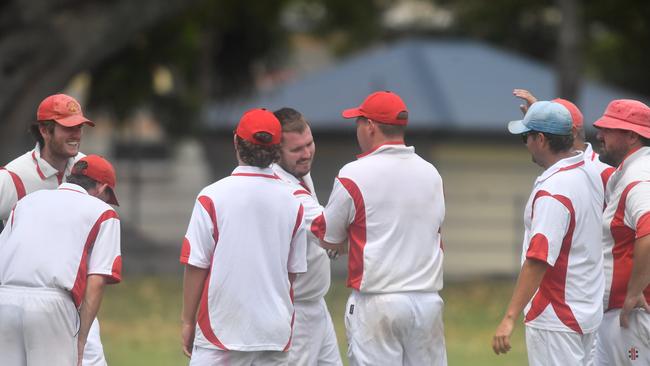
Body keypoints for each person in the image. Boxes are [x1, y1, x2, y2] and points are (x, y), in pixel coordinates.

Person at [311, 91, 447, 365]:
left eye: (359, 121)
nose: (357, 128)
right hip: (427, 301)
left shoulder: (354, 173)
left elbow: (328, 235)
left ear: (370, 126)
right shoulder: (431, 173)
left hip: (378, 301)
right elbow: (435, 235)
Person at [180, 108, 307, 365]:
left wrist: (187, 321)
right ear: (277, 149)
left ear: (236, 141)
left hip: (221, 330)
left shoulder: (212, 196)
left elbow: (196, 265)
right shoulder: (295, 201)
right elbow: (292, 272)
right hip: (274, 331)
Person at [492, 101, 605, 365]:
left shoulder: (553, 190)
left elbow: (538, 258)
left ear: (540, 139)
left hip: (555, 315)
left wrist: (509, 318)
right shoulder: (590, 171)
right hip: (587, 310)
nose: (526, 144)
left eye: (526, 137)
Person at [0, 93, 109, 366]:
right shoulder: (13, 177)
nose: (76, 135)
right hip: (22, 301)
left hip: (75, 301)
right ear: (45, 131)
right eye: (68, 128)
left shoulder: (88, 167)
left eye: (79, 127)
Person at [271, 107, 342, 366]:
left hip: (316, 304)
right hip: (295, 311)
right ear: (276, 152)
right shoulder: (281, 185)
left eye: (309, 144)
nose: (306, 153)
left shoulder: (298, 170)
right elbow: (327, 228)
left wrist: (330, 248)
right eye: (296, 149)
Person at [591, 99, 650, 365]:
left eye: (608, 129)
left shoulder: (639, 178)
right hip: (620, 312)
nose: (599, 135)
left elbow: (648, 232)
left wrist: (635, 292)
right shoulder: (627, 172)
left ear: (632, 135)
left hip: (634, 313)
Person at [513, 88, 616, 189]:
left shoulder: (605, 173)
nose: (527, 143)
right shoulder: (561, 169)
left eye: (529, 135)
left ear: (572, 132)